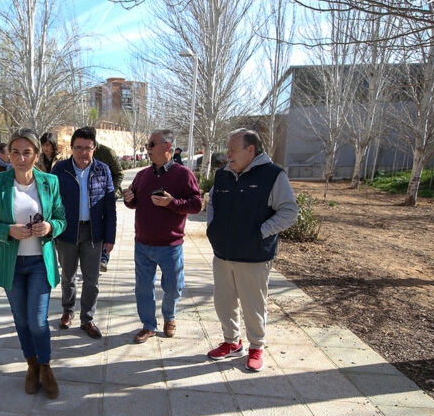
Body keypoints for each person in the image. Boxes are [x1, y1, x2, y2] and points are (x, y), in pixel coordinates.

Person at [0, 128, 67, 399]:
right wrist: (7, 230)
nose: (20, 158)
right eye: (15, 152)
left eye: (26, 152)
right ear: (8, 154)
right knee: (21, 320)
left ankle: (45, 366)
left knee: (38, 320)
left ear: (37, 154)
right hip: (11, 264)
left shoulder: (49, 182)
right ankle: (31, 366)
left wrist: (50, 226)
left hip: (40, 263)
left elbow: (63, 218)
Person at [205, 128, 297, 371]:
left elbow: (289, 212)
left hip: (254, 256)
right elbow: (212, 202)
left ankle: (256, 347)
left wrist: (259, 233)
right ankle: (231, 342)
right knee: (223, 303)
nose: (228, 155)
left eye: (232, 150)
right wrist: (212, 229)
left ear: (250, 150)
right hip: (223, 254)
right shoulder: (223, 175)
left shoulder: (273, 175)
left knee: (253, 305)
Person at [123, 129, 201, 343]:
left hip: (170, 245)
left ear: (167, 146)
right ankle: (148, 325)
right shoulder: (142, 175)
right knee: (143, 289)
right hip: (143, 244)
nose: (147, 149)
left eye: (151, 144)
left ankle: (169, 317)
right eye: (147, 145)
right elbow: (134, 202)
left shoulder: (184, 175)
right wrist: (129, 198)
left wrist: (172, 203)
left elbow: (196, 204)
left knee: (173, 286)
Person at [51, 126, 116, 339]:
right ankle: (68, 311)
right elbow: (51, 203)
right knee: (68, 276)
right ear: (71, 148)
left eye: (87, 148)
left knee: (92, 279)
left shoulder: (103, 170)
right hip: (67, 232)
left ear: (94, 148)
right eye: (78, 148)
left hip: (93, 233)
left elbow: (110, 206)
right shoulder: (60, 169)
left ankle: (87, 318)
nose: (82, 153)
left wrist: (110, 237)